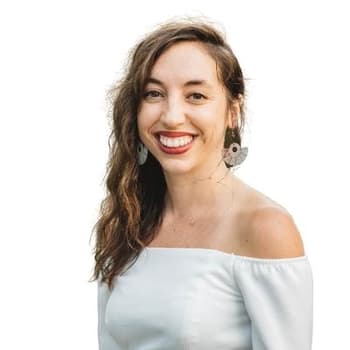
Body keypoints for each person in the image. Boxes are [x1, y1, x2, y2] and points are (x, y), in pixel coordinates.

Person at [91, 16, 313, 350]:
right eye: (154, 93)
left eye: (195, 95)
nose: (171, 115)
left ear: (232, 111)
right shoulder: (127, 219)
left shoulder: (266, 228)